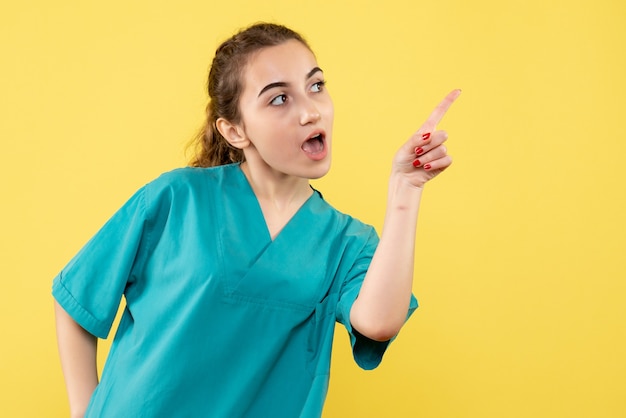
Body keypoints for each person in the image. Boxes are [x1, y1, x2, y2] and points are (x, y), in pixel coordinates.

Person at [53, 22, 460, 418]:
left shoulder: (346, 242)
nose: (311, 111)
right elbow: (76, 298)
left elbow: (378, 322)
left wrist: (406, 190)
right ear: (234, 131)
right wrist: (83, 409)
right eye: (279, 99)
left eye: (315, 86)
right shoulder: (177, 198)